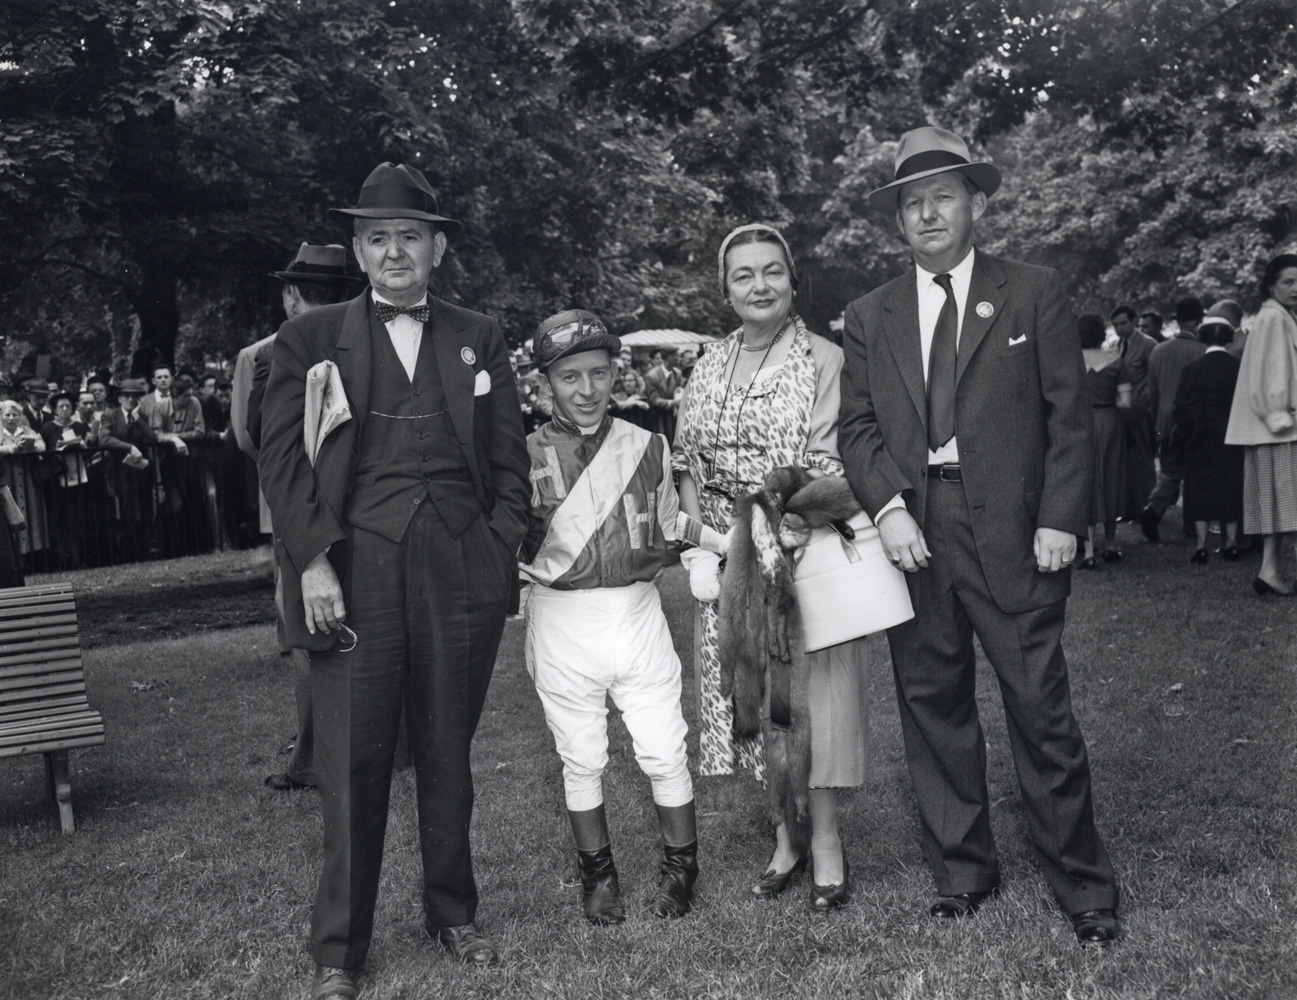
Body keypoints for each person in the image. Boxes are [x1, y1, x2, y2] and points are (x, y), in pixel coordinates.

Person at [838, 126, 1119, 945]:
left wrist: (1061, 517)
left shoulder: (1031, 292)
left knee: (1040, 709)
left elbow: (1070, 417)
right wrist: (887, 511)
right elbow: (856, 427)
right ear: (898, 220)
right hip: (914, 532)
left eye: (943, 197)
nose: (927, 214)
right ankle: (963, 871)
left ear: (977, 204)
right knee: (932, 706)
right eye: (912, 203)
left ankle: (1081, 881)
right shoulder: (869, 315)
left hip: (1015, 530)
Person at [258, 162, 529, 999]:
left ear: (436, 247)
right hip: (354, 566)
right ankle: (340, 949)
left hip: (460, 565)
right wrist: (311, 562)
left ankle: (453, 913)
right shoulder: (309, 340)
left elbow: (508, 459)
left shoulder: (478, 335)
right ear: (358, 250)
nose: (393, 251)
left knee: (448, 748)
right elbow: (280, 461)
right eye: (376, 238)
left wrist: (496, 547)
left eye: (408, 236)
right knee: (352, 760)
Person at [674, 223, 868, 910]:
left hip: (798, 547)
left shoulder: (824, 358)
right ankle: (782, 839)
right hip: (726, 562)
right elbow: (685, 462)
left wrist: (775, 528)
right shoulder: (705, 365)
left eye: (771, 272)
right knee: (750, 699)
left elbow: (827, 461)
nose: (759, 286)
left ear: (791, 279)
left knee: (808, 705)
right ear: (724, 289)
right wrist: (705, 540)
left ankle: (824, 846)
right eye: (743, 275)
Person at [520, 309, 698, 925]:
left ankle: (681, 869)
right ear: (547, 382)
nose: (588, 389)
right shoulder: (521, 457)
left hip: (637, 611)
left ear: (614, 373)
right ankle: (598, 876)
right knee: (582, 755)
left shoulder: (648, 445)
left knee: (664, 746)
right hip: (563, 619)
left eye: (599, 373)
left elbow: (674, 525)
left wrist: (712, 546)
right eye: (571, 377)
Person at [232, 243, 358, 795]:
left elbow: (253, 438)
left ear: (291, 295)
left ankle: (312, 756)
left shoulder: (270, 351)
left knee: (308, 633)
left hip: (301, 509)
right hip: (367, 505)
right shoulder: (371, 338)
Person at [1225, 253, 1297, 595]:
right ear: (1271, 285)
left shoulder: (1278, 317)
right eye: (1288, 281)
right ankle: (1269, 572)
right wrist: (1280, 414)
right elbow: (1271, 376)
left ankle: (1269, 572)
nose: (1296, 288)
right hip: (1282, 428)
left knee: (1280, 506)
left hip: (1277, 427)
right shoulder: (1274, 319)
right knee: (1285, 504)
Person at [1173, 313, 1244, 564]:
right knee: (1231, 488)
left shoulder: (1192, 369)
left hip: (1200, 438)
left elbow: (1181, 407)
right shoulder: (1238, 368)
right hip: (1231, 437)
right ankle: (1231, 543)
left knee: (1199, 489)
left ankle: (1202, 546)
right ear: (1228, 339)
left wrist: (1193, 429)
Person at [1140, 297, 1207, 542]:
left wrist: (1157, 425)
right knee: (1194, 473)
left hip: (1164, 422)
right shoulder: (1202, 350)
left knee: (1169, 471)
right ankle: (1191, 525)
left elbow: (1152, 393)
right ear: (1199, 321)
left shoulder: (1158, 350)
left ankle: (1153, 509)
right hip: (1193, 422)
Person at [1077, 314, 1132, 567]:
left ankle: (1088, 552)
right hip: (1110, 421)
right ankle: (1110, 546)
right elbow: (1126, 402)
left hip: (1081, 424)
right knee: (1111, 478)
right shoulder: (1116, 362)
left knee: (1086, 482)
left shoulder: (1070, 362)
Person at [97, 378, 157, 562]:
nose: (131, 399)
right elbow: (105, 440)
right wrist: (128, 447)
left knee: (145, 514)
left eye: (135, 396)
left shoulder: (142, 416)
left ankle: (143, 555)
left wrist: (138, 418)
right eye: (127, 395)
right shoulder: (110, 416)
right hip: (121, 473)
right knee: (131, 515)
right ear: (120, 397)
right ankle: (127, 556)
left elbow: (153, 438)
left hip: (141, 472)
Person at [1110, 304, 1157, 519]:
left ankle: (1145, 508)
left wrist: (1142, 403)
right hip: (1120, 412)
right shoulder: (1113, 345)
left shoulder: (1149, 345)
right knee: (1124, 462)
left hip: (1140, 411)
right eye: (1116, 324)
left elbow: (1153, 379)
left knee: (1143, 462)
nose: (1120, 328)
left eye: (1123, 323)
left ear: (1133, 321)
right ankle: (1127, 509)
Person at [40, 392, 92, 569]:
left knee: (76, 517)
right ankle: (63, 560)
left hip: (77, 475)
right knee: (59, 519)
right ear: (54, 409)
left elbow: (88, 450)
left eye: (67, 406)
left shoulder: (79, 426)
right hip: (57, 477)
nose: (64, 409)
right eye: (60, 406)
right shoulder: (48, 428)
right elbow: (45, 452)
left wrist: (82, 445)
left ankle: (77, 558)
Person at [0, 399, 49, 559]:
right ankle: (17, 558)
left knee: (31, 515)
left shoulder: (26, 430)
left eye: (15, 414)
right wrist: (9, 449)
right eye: (7, 414)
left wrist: (32, 446)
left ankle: (31, 556)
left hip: (27, 481)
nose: (11, 418)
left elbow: (42, 444)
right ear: (1, 416)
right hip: (9, 480)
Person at [643, 349, 682, 440]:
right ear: (670, 358)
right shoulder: (651, 376)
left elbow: (680, 389)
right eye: (677, 356)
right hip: (657, 418)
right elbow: (654, 400)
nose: (679, 359)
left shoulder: (677, 373)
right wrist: (673, 403)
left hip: (673, 418)